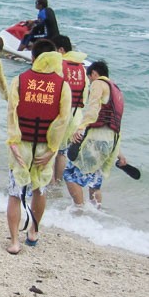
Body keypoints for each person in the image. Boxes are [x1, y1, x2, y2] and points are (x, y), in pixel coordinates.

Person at [4, 39, 70, 253]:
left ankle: (14, 241)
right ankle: (33, 232)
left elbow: (11, 113)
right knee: (39, 191)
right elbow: (63, 121)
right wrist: (53, 150)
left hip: (21, 145)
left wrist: (13, 142)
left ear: (33, 57)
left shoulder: (20, 80)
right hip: (44, 148)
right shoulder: (62, 85)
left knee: (15, 193)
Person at [63, 60, 123, 209]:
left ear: (94, 74)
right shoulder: (117, 90)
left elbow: (93, 110)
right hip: (110, 143)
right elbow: (114, 125)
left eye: (89, 79)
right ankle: (96, 214)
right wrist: (119, 152)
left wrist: (80, 128)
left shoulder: (98, 83)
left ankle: (79, 211)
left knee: (70, 174)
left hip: (95, 140)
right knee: (94, 182)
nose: (90, 83)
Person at [51, 35, 88, 185]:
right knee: (62, 152)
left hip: (60, 115)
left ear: (60, 50)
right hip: (76, 116)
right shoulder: (82, 69)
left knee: (51, 150)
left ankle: (49, 183)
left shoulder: (59, 65)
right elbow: (84, 96)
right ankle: (58, 183)